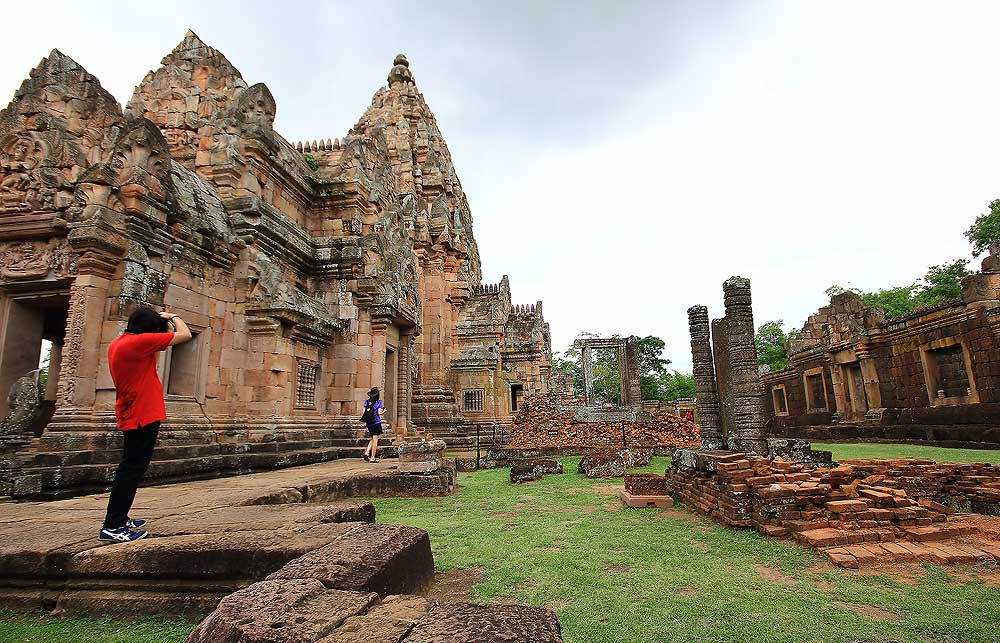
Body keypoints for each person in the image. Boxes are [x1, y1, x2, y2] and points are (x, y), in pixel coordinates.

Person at [99, 307, 192, 543]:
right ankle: (113, 525)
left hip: (133, 410)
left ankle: (119, 517)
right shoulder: (139, 343)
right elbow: (185, 335)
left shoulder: (120, 343)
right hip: (142, 412)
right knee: (131, 469)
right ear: (149, 329)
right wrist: (173, 317)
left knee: (131, 467)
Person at [362, 387, 383, 463]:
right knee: (375, 439)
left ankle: (367, 452)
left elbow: (364, 412)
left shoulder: (367, 402)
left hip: (369, 423)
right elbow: (379, 413)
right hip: (376, 422)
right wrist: (384, 411)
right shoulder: (378, 402)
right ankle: (373, 457)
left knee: (372, 438)